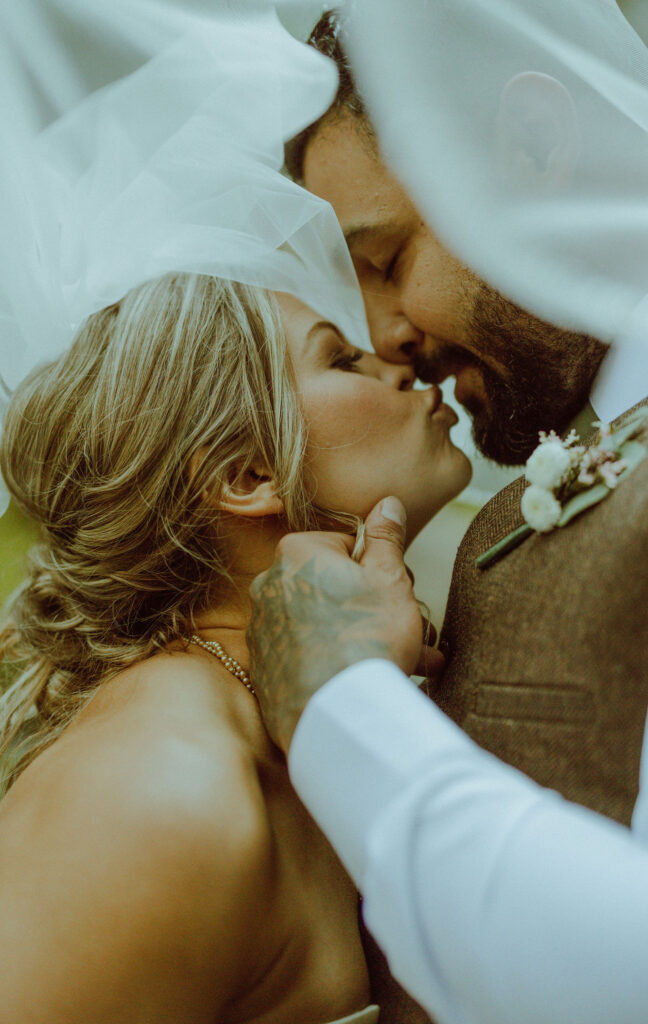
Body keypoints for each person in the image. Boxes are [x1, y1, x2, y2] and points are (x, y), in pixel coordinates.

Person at [0, 4, 468, 1020]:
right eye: (339, 358)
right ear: (246, 474)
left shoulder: (300, 716)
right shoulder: (155, 793)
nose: (399, 355)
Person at [246, 2, 648, 1022]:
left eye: (390, 258)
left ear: (533, 145)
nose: (385, 336)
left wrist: (339, 702)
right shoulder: (588, 441)